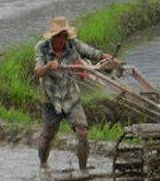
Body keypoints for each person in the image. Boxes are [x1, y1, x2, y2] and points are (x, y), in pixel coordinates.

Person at [33, 16, 112, 172]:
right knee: (48, 136)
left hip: (70, 96)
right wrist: (49, 66)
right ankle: (43, 166)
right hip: (51, 98)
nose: (62, 40)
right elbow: (38, 72)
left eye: (64, 36)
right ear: (53, 37)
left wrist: (104, 57)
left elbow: (90, 52)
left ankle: (83, 170)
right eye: (58, 36)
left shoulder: (73, 45)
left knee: (82, 131)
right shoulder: (41, 48)